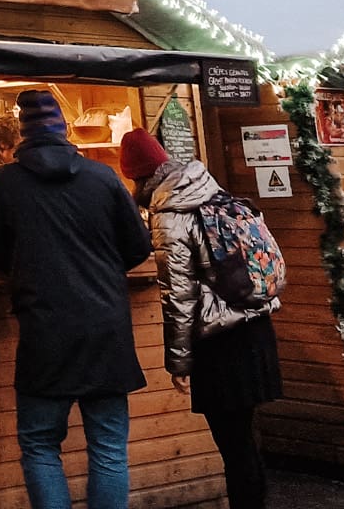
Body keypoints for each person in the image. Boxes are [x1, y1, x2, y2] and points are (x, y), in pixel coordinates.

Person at [0, 89, 151, 509]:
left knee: (40, 445)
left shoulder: (6, 182)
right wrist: (101, 273)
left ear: (23, 135)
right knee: (109, 448)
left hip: (45, 329)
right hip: (107, 327)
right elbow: (139, 247)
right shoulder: (103, 177)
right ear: (64, 131)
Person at [122, 130, 282, 509]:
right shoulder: (213, 191)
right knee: (245, 438)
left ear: (139, 177)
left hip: (220, 343)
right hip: (257, 329)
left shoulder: (170, 214)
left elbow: (178, 296)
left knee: (233, 443)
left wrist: (179, 362)